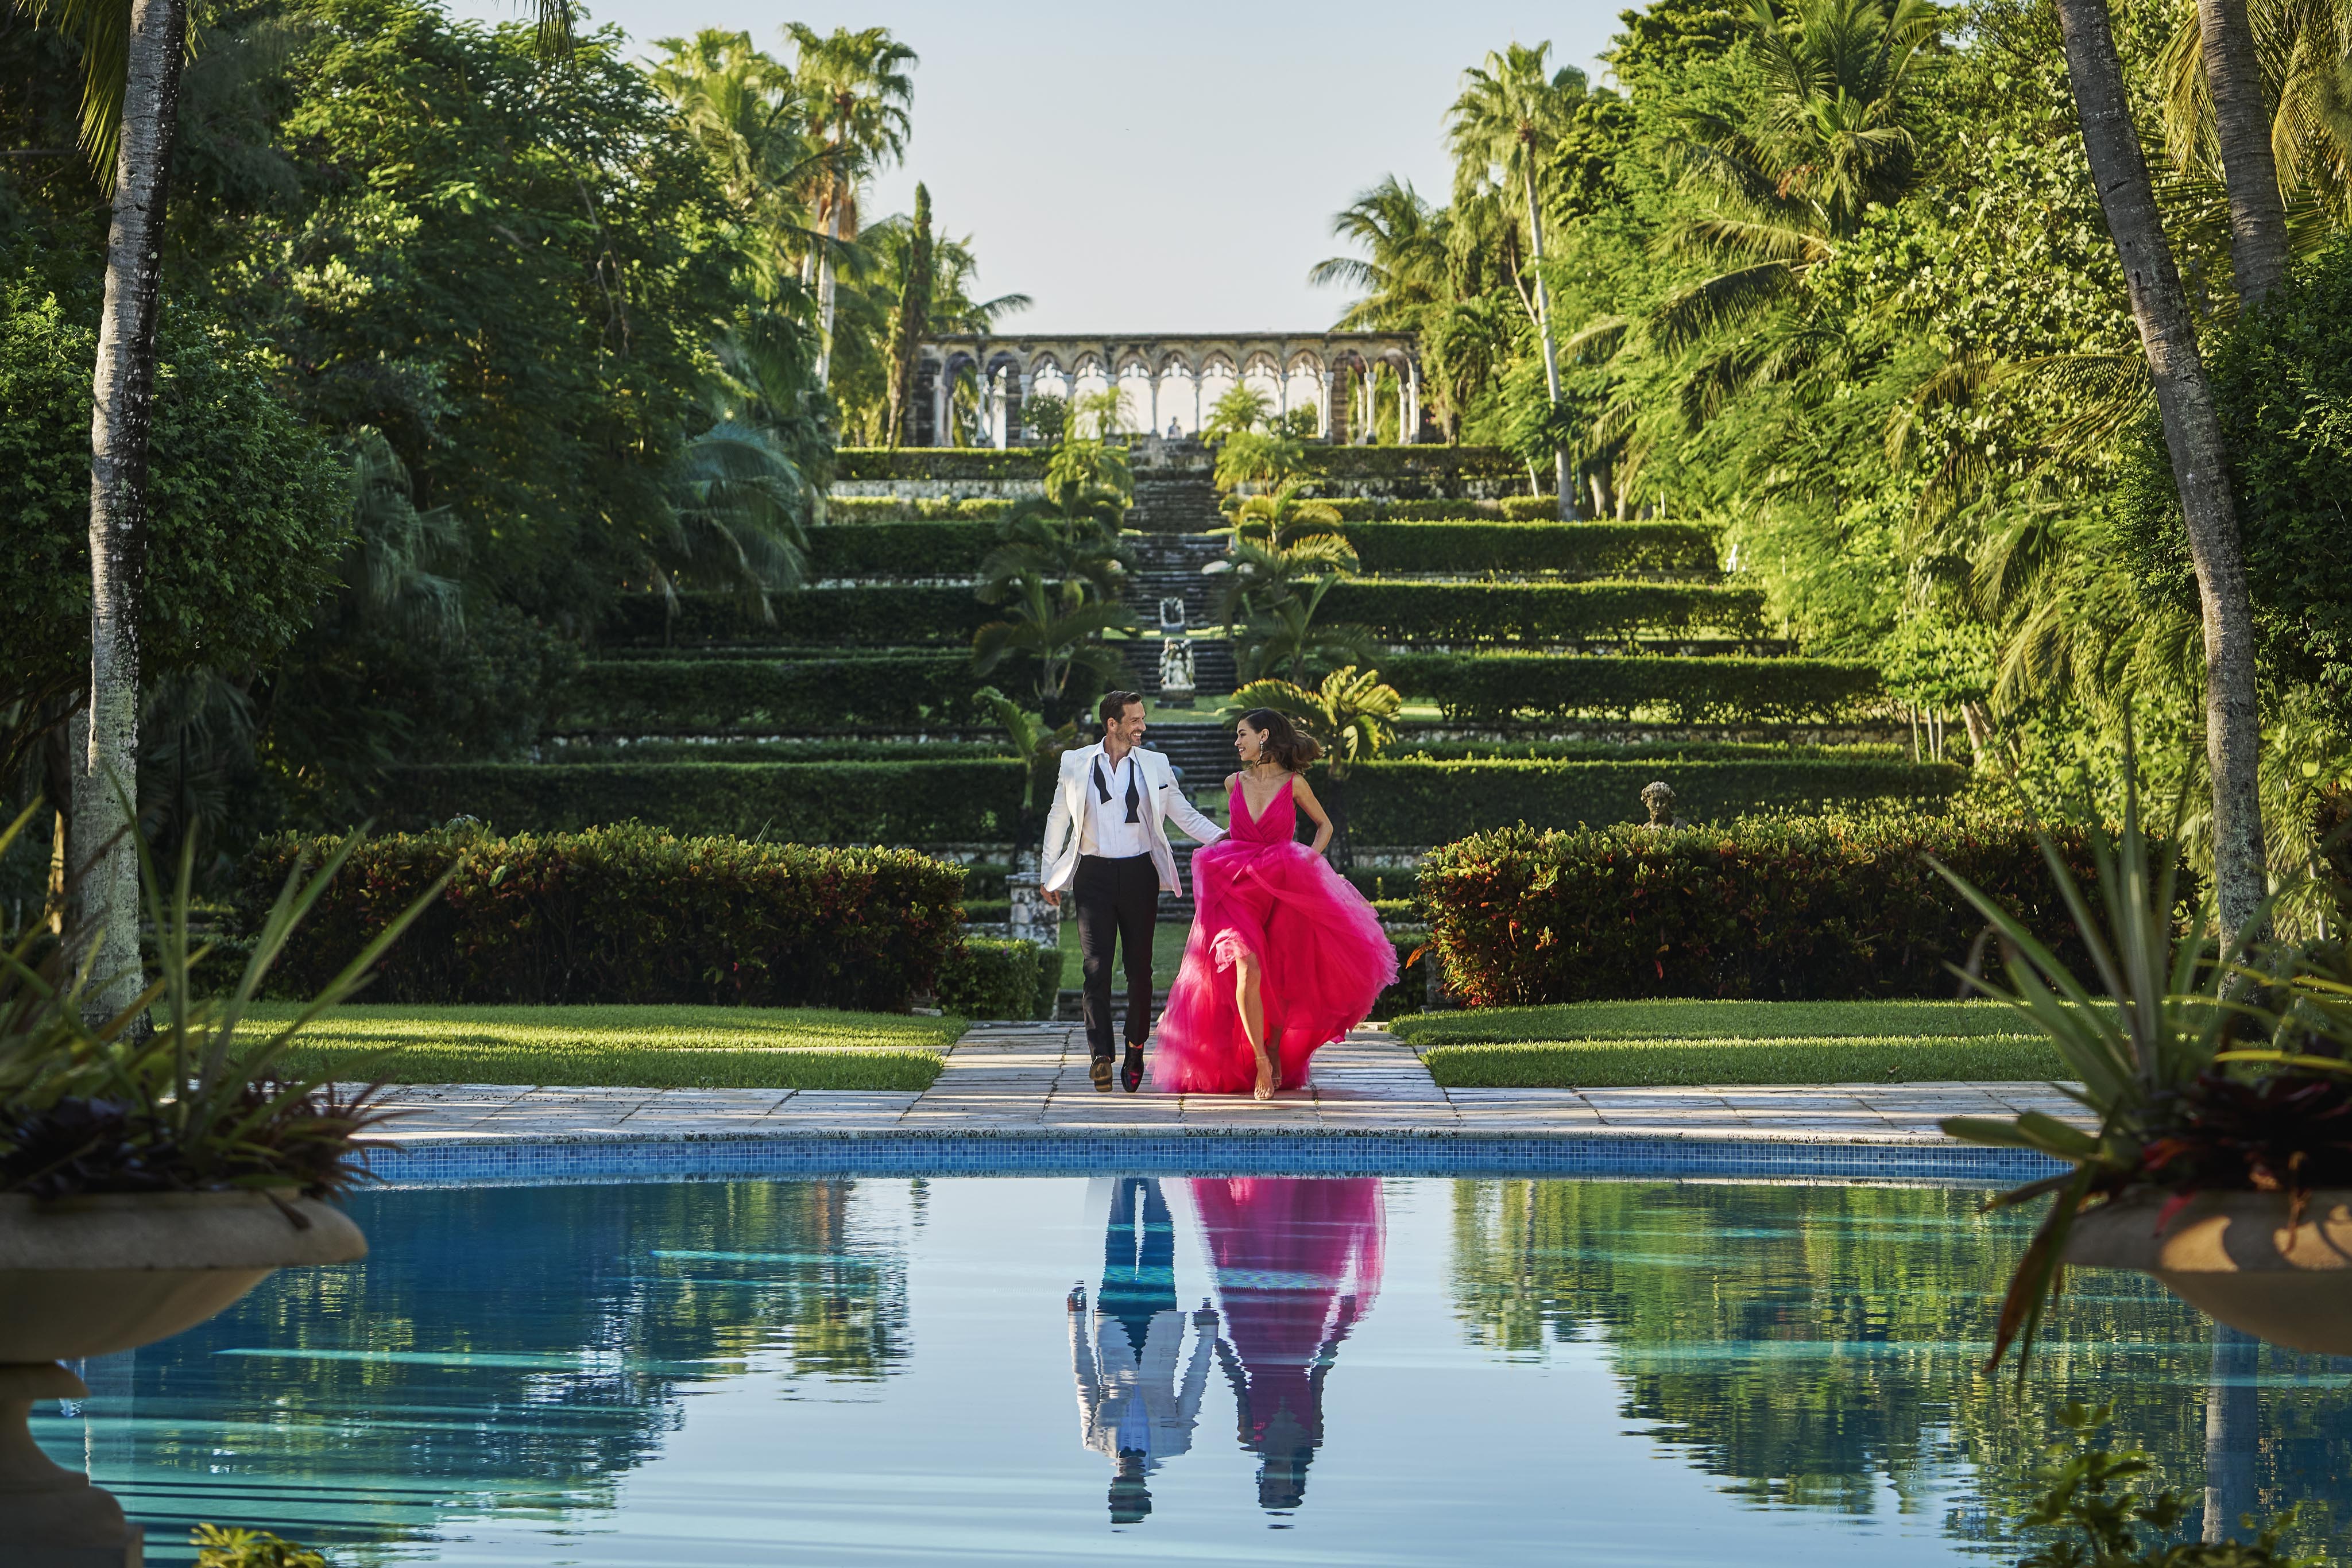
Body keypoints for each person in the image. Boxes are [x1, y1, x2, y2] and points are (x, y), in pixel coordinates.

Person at [1152, 709, 1396, 1099]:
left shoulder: (1295, 784)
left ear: (1264, 735)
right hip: (1236, 885)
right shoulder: (1234, 782)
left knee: (1281, 971)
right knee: (1245, 965)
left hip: (1285, 883)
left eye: (1242, 734)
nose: (1237, 742)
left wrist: (1309, 864)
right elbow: (1235, 833)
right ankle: (1262, 1060)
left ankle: (1278, 1050)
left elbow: (1325, 826)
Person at [1040, 691, 1227, 1092]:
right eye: (1135, 719)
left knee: (1140, 970)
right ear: (1113, 724)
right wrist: (1048, 872)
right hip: (1092, 874)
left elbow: (1184, 814)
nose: (1142, 726)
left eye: (1142, 718)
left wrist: (1227, 839)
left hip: (1140, 872)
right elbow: (1059, 817)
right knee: (1095, 967)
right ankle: (1101, 1055)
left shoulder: (1156, 765)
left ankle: (1136, 1045)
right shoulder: (1075, 763)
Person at [1189, 1176, 1383, 1512]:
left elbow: (1237, 1382)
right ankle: (1301, 1183)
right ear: (1295, 1484)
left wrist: (1213, 1336)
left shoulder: (1249, 1438)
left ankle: (1269, 1182)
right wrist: (1340, 1326)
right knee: (1304, 1255)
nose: (1274, 1483)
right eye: (1280, 1490)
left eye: (1270, 1490)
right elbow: (1319, 1378)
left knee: (1246, 1255)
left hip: (1252, 1343)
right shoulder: (1310, 1438)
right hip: (1301, 1342)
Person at [1067, 1176, 1219, 1523]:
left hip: (1113, 1326)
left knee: (1118, 1246)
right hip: (1161, 1328)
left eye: (1123, 1491)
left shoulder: (1094, 1439)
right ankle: (1152, 1178)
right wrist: (1207, 1335)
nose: (1129, 1484)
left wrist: (1075, 1322)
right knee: (1159, 1250)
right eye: (1134, 1493)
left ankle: (1123, 1176)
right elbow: (1194, 1387)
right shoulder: (1175, 1444)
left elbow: (1084, 1378)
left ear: (1113, 1488)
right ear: (1145, 1491)